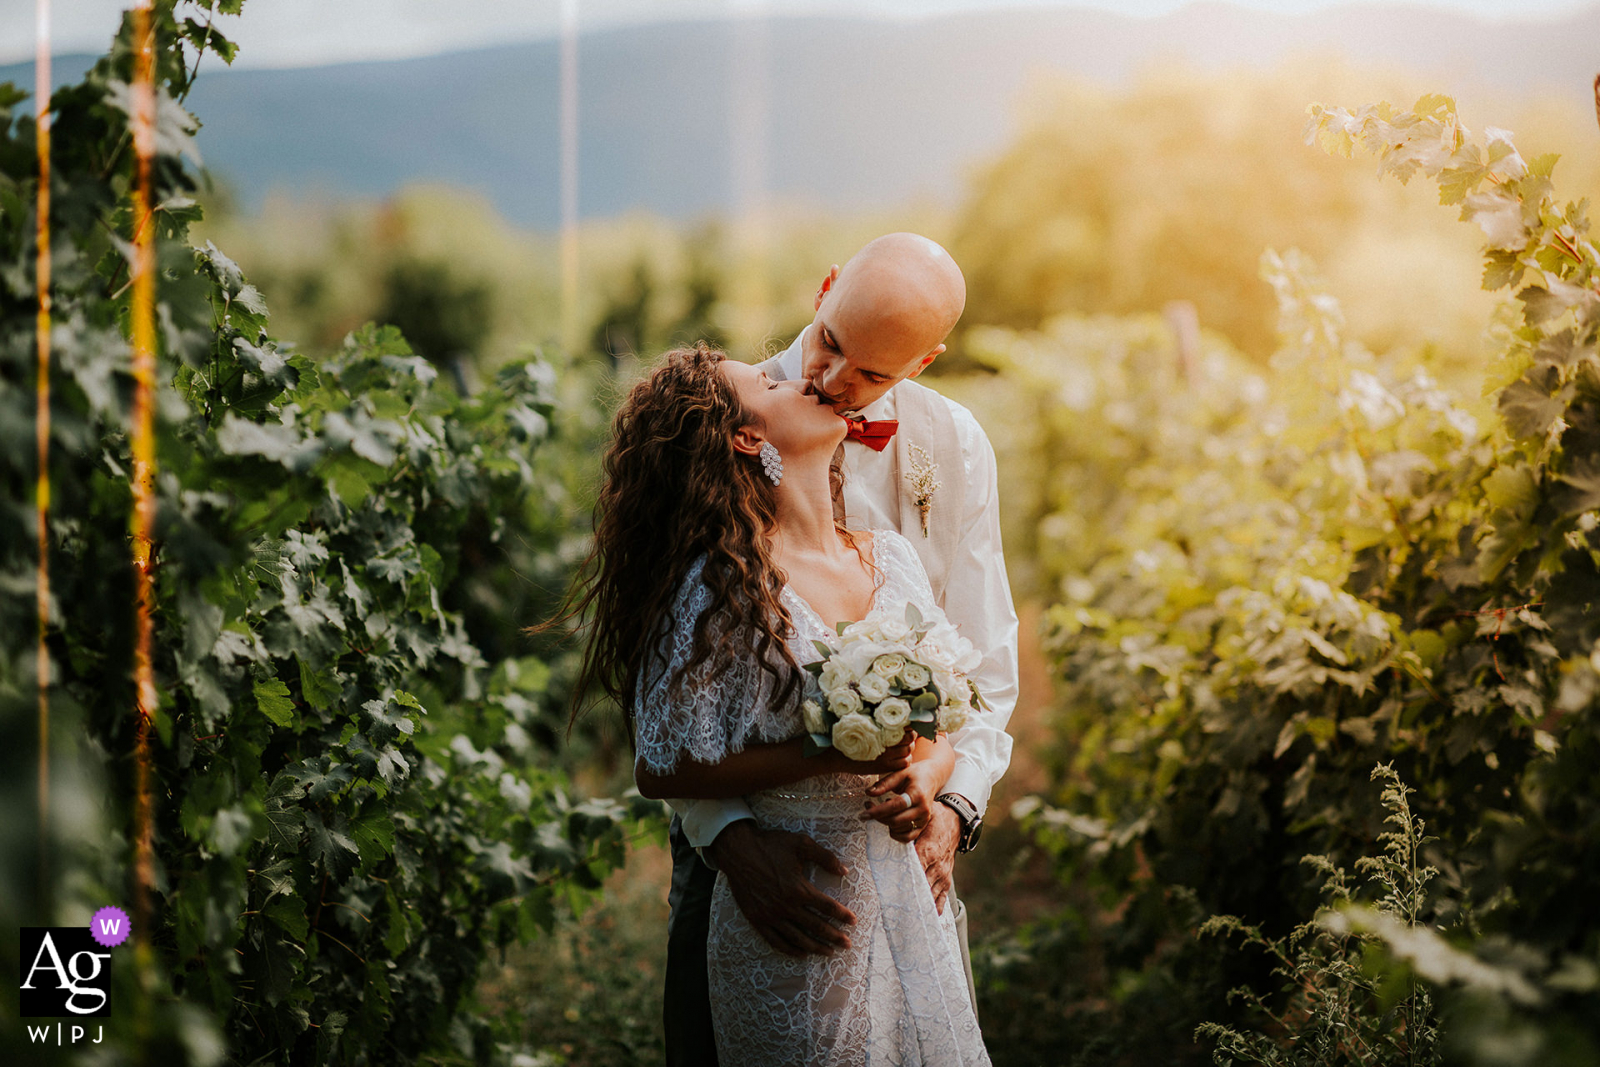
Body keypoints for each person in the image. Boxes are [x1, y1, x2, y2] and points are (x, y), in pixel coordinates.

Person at [560, 339, 991, 1064]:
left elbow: (938, 721)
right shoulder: (722, 581)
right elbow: (661, 764)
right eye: (767, 383)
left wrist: (930, 771)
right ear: (746, 435)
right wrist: (823, 747)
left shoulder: (890, 558)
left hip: (908, 899)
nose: (794, 379)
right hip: (799, 907)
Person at [663, 234, 1019, 1064]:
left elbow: (983, 653)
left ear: (923, 363)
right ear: (824, 289)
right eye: (830, 341)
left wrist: (950, 800)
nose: (830, 381)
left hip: (900, 851)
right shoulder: (727, 421)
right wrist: (734, 843)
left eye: (871, 374)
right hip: (741, 840)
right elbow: (670, 687)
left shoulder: (953, 444)